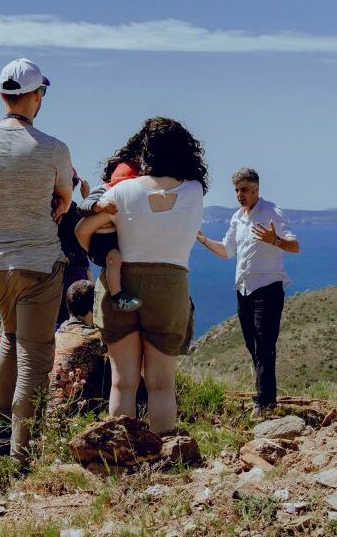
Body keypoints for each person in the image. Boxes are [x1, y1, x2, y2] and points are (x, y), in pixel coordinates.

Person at [0, 58, 73, 464]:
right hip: (38, 262)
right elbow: (64, 198)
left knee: (9, 341)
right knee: (35, 352)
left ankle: (0, 430)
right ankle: (22, 452)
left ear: (1, 95)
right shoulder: (53, 149)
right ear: (36, 96)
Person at [75, 117, 207, 435]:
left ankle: (122, 458)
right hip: (170, 286)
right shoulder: (194, 190)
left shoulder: (122, 190)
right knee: (162, 384)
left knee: (123, 383)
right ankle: (163, 457)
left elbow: (82, 234)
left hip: (122, 283)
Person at [195, 167, 299, 417]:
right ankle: (264, 397)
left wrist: (274, 240)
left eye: (244, 189)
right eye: (236, 190)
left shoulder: (272, 212)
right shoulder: (237, 218)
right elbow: (227, 251)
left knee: (264, 346)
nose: (239, 195)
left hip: (268, 289)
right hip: (243, 289)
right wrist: (204, 240)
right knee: (252, 346)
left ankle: (264, 403)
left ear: (256, 189)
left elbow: (294, 245)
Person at [77, 133, 145, 312]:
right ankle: (117, 296)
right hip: (102, 242)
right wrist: (99, 206)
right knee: (113, 258)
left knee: (115, 258)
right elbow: (82, 207)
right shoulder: (103, 190)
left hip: (114, 239)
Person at [49, 280, 112, 416]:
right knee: (113, 367)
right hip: (73, 409)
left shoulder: (58, 333)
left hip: (50, 408)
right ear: (95, 306)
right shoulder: (91, 337)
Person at [55, 171, 93, 327]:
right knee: (80, 323)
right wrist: (88, 198)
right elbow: (92, 234)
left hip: (54, 274)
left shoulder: (46, 208)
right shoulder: (76, 210)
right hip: (74, 273)